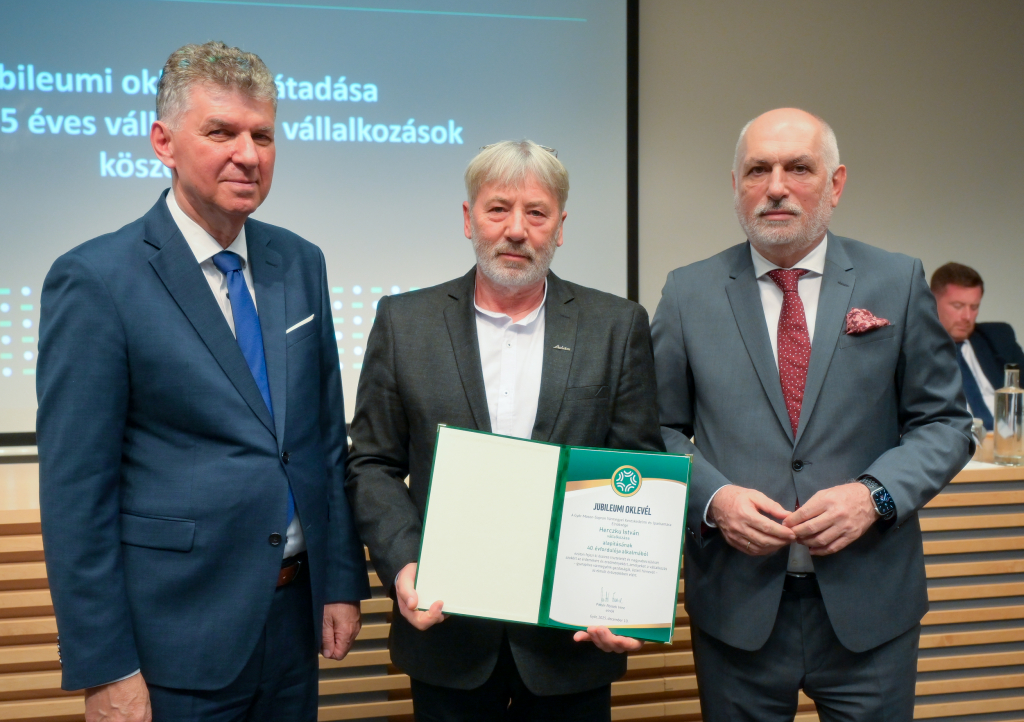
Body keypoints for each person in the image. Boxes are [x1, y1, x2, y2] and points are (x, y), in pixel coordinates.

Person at [36, 41, 369, 722]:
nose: (247, 155)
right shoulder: (97, 279)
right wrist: (106, 667)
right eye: (221, 132)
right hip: (173, 644)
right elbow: (77, 495)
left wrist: (340, 581)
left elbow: (320, 441)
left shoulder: (299, 261)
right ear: (163, 143)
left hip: (293, 624)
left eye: (262, 136)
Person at [651, 108, 974, 721]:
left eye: (798, 167)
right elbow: (655, 430)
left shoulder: (897, 280)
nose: (776, 186)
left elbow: (945, 423)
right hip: (737, 610)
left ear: (836, 183)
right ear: (736, 185)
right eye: (758, 170)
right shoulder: (687, 293)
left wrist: (874, 496)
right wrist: (715, 500)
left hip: (871, 609)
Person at [345, 140, 663, 721]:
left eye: (536, 213)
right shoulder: (404, 322)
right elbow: (373, 463)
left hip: (571, 642)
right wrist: (406, 563)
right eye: (498, 209)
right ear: (469, 219)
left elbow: (635, 471)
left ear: (559, 228)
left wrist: (625, 598)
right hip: (447, 633)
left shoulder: (616, 326)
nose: (517, 229)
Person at [930, 262, 1024, 429]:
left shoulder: (999, 338)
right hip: (957, 439)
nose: (967, 316)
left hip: (1009, 438)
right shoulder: (915, 348)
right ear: (931, 301)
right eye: (958, 306)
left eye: (974, 307)